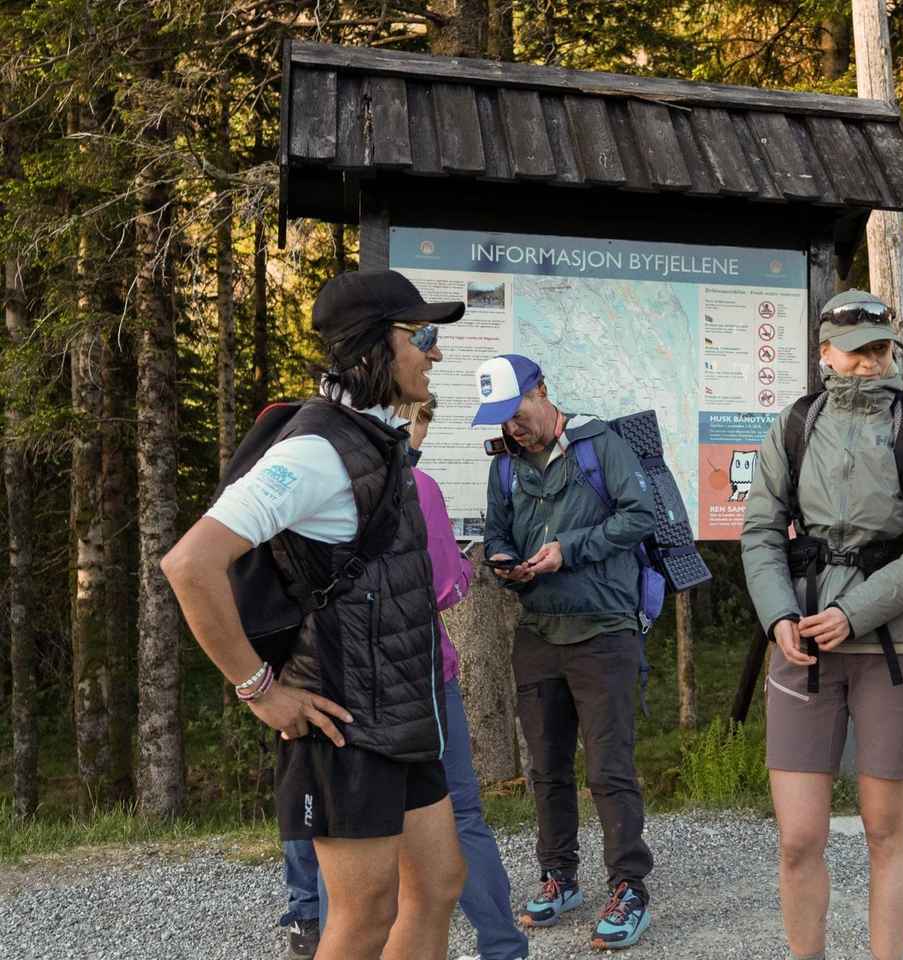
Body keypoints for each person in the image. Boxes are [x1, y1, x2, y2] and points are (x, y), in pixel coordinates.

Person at [162, 270, 468, 960]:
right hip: (344, 724)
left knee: (441, 882)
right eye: (420, 335)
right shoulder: (313, 453)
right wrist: (258, 689)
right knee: (364, 917)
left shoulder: (376, 437)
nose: (435, 353)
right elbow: (189, 565)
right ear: (373, 347)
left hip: (399, 711)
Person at [740, 289, 903, 960]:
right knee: (799, 836)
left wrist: (851, 612)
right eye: (855, 348)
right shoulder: (795, 424)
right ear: (825, 353)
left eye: (878, 346)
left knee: (885, 829)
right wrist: (780, 614)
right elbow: (760, 532)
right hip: (802, 645)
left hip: (894, 644)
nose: (869, 360)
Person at [279, 392, 529, 960]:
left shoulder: (321, 482)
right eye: (417, 421)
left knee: (346, 844)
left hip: (338, 683)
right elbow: (443, 587)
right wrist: (465, 569)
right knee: (458, 820)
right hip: (418, 680)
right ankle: (502, 947)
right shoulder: (422, 488)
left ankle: (314, 925)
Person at [474, 354, 657, 950]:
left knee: (608, 769)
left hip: (605, 631)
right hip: (538, 631)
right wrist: (504, 566)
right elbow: (496, 531)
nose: (511, 427)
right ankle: (559, 876)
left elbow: (640, 515)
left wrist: (568, 549)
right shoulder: (504, 469)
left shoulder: (599, 445)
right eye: (500, 419)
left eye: (516, 412)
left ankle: (629, 887)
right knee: (547, 768)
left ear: (543, 391)